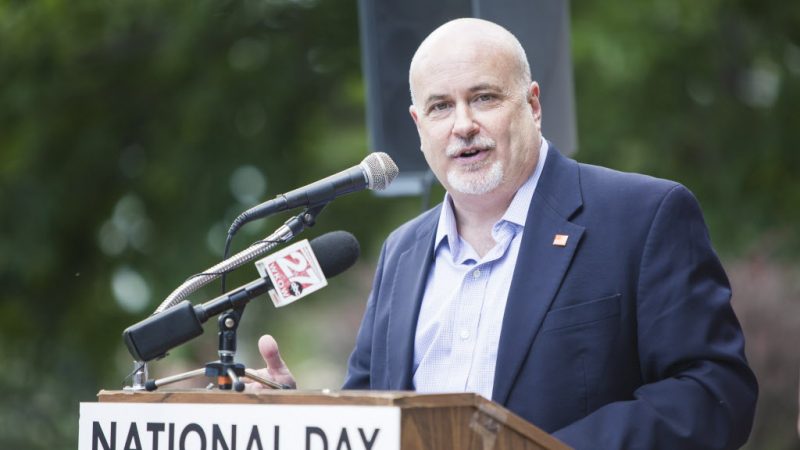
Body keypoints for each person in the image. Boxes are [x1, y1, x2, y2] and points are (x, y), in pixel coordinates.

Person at [250, 18, 758, 449]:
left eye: (484, 97)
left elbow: (714, 393)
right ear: (417, 125)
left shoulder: (643, 215)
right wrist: (295, 419)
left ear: (533, 105)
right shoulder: (401, 251)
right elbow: (370, 413)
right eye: (440, 107)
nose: (463, 124)